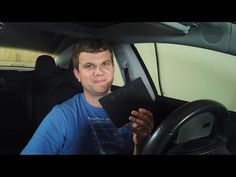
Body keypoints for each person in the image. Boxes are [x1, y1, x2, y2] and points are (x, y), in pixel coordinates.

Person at [21, 36, 154, 155]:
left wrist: (140, 143)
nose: (99, 72)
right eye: (89, 66)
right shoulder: (62, 116)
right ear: (77, 74)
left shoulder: (134, 110)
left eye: (105, 64)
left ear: (113, 68)